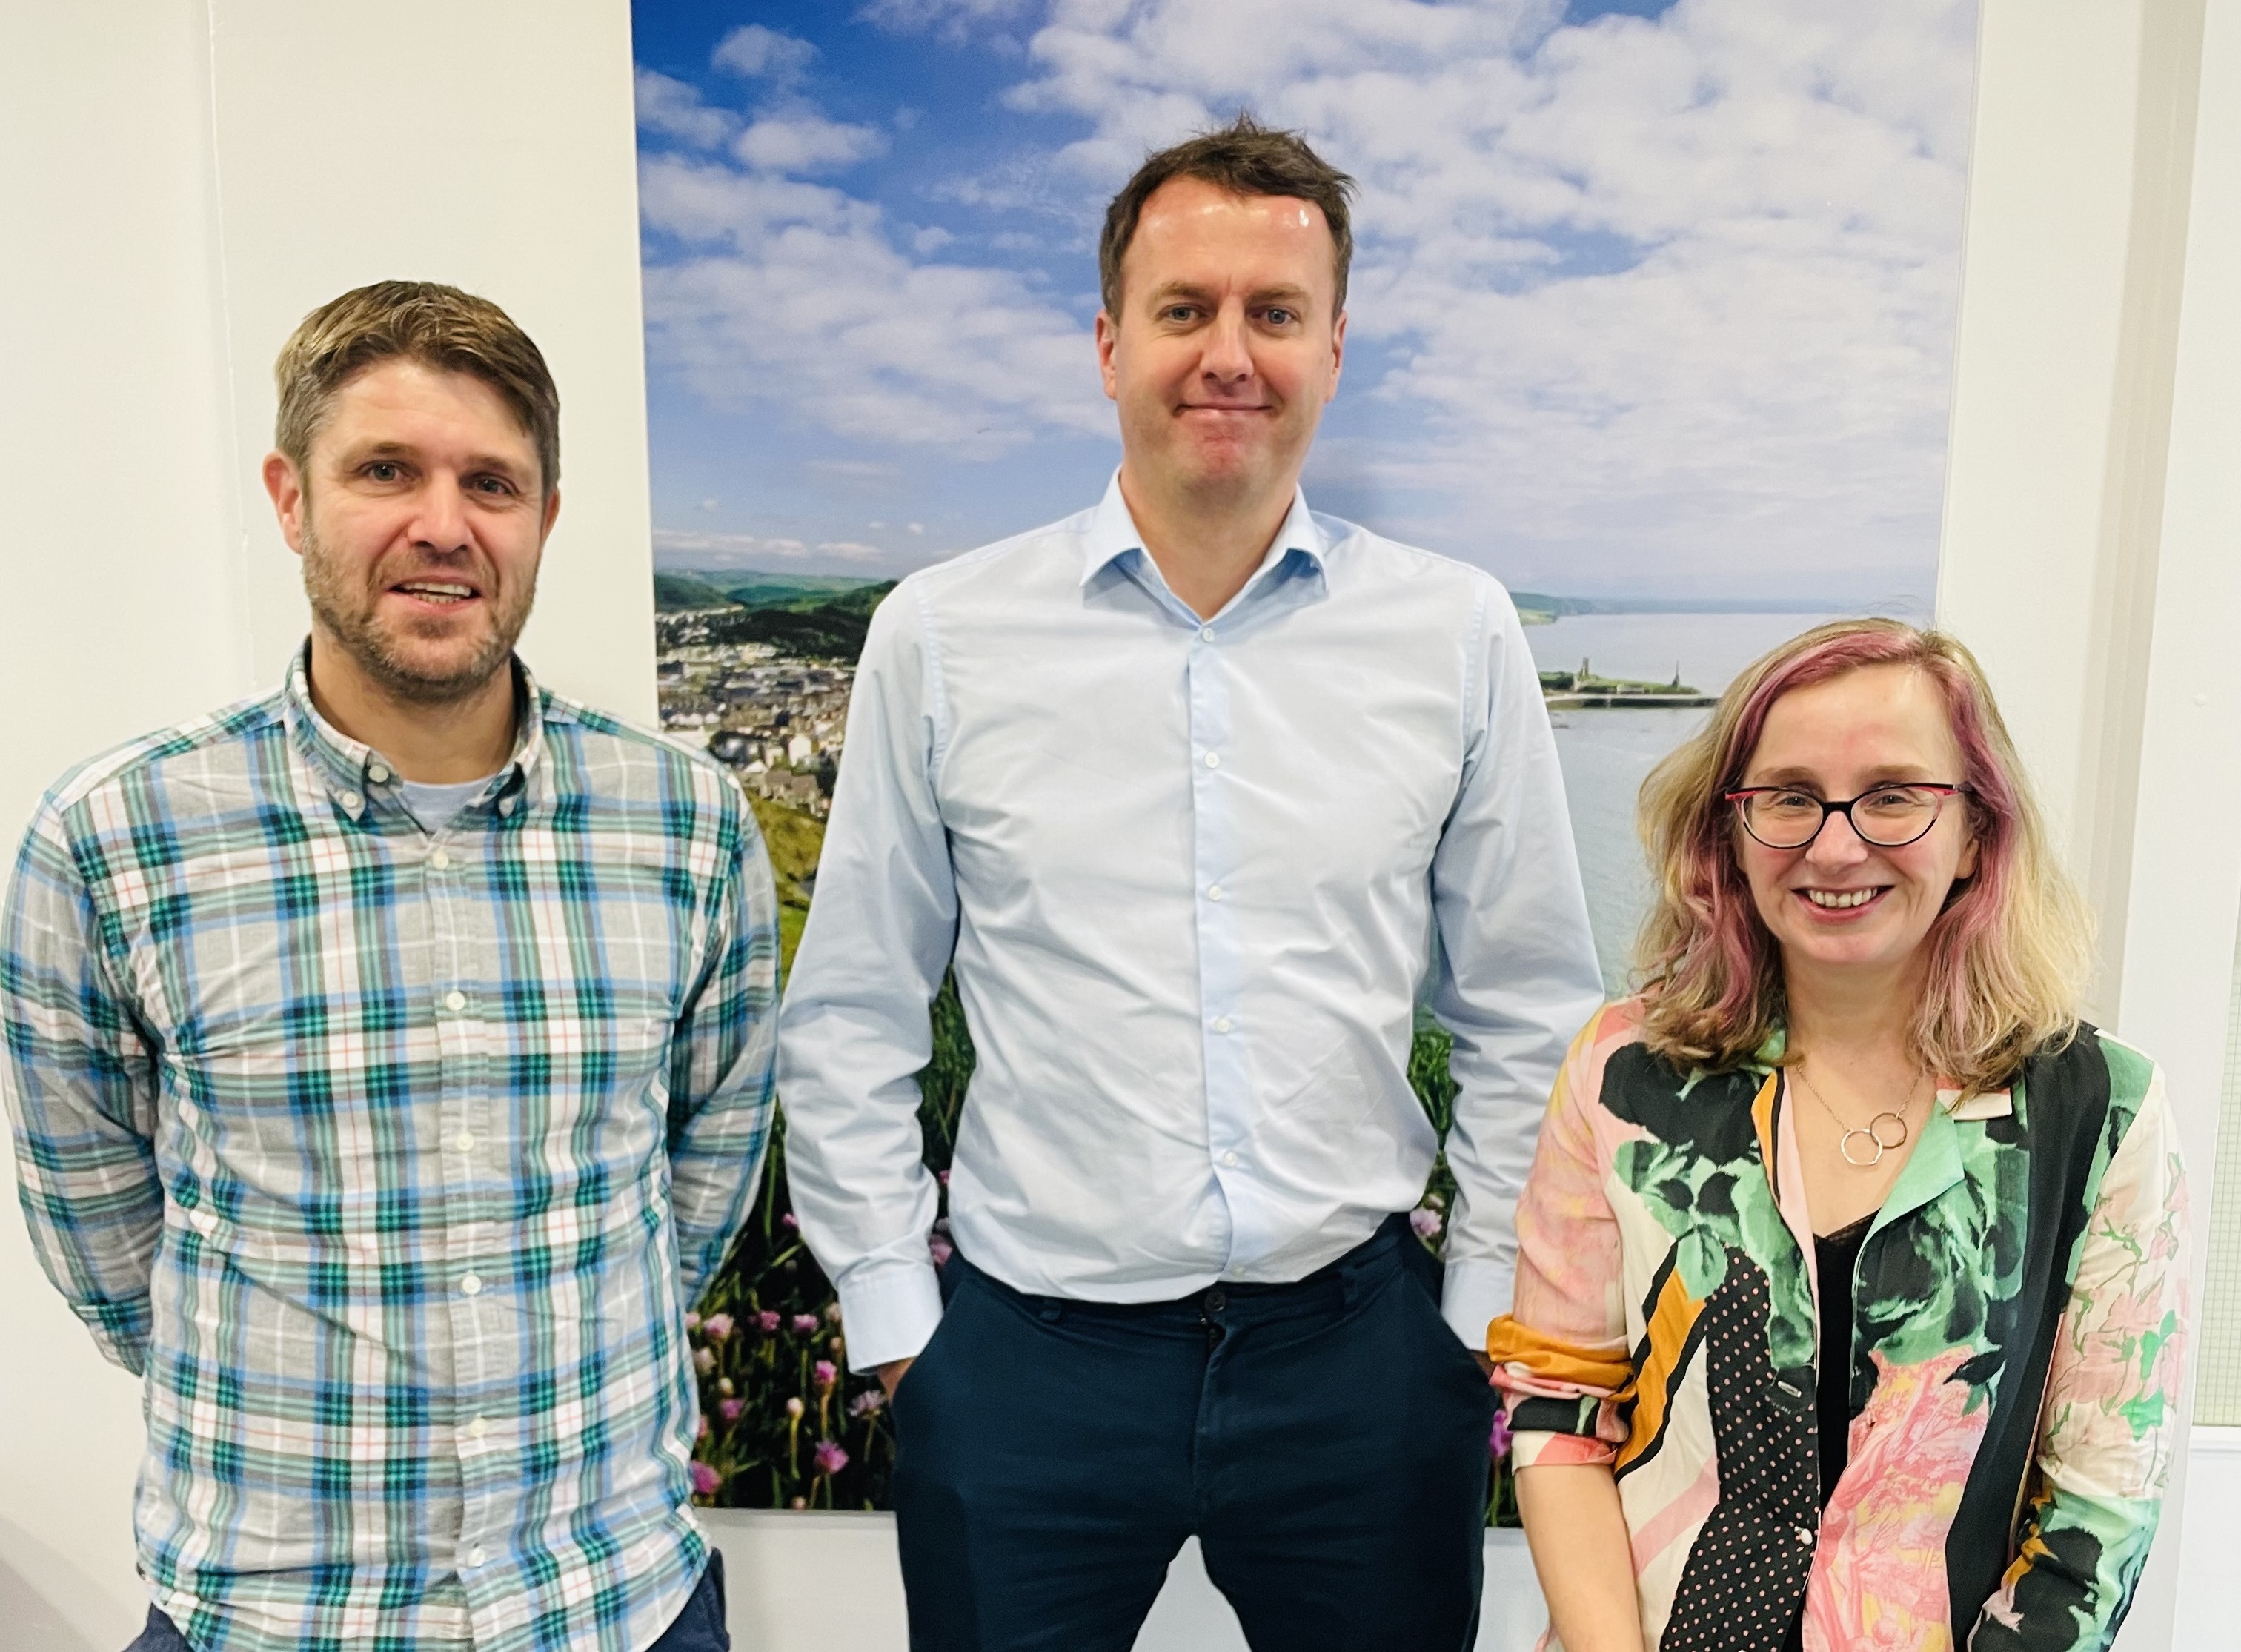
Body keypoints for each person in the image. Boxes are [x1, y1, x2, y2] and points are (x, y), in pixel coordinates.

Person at [777, 115, 1603, 1650]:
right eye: (1185, 309)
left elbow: (1529, 1005)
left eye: (1275, 313)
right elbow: (852, 1010)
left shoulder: (1458, 632)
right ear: (1109, 343)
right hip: (1026, 1366)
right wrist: (901, 1325)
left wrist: (1475, 1309)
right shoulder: (943, 635)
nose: (1230, 352)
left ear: (1334, 348)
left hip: (1359, 1356)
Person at [0, 282, 779, 1652]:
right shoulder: (114, 838)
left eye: (493, 481)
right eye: (385, 471)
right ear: (290, 498)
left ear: (544, 516)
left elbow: (702, 1180)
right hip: (269, 1613)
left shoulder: (688, 823)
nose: (444, 523)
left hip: (614, 1604)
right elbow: (106, 1234)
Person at [1487, 619, 2190, 1651]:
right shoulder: (1625, 1072)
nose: (1835, 841)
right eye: (1789, 796)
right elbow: (1560, 1409)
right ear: (1731, 827)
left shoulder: (2101, 1109)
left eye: (1895, 794)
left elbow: (2103, 1502)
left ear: (1978, 833)